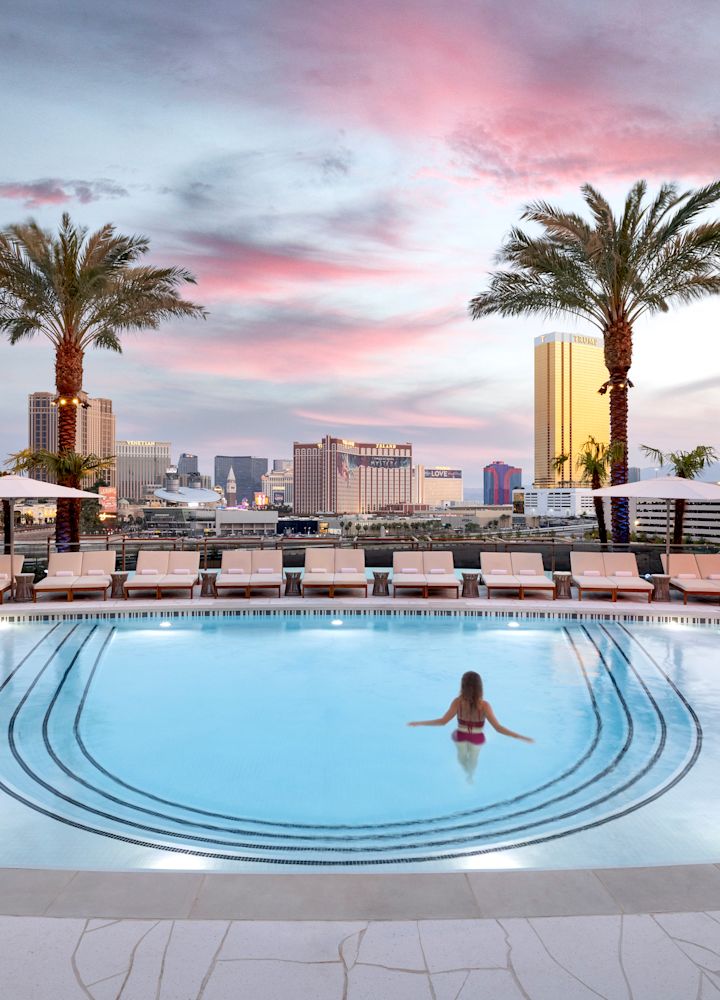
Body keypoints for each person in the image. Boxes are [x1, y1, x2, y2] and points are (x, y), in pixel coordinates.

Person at [408, 671, 533, 781]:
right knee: (473, 759)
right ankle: (470, 775)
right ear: (480, 687)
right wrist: (520, 737)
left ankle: (467, 773)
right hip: (477, 738)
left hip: (460, 736)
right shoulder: (484, 705)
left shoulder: (458, 702)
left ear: (463, 686)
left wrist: (420, 723)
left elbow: (443, 721)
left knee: (461, 758)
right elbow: (498, 728)